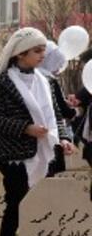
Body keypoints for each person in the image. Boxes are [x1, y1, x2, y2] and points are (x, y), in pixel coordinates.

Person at [0, 27, 76, 236]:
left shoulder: (46, 81)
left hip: (47, 151)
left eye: (44, 49)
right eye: (37, 50)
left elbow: (56, 115)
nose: (42, 55)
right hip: (13, 154)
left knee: (45, 202)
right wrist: (26, 128)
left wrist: (63, 138)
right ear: (20, 54)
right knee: (16, 202)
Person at [39, 41, 78, 174]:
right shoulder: (48, 80)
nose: (58, 68)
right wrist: (75, 111)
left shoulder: (33, 76)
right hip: (50, 136)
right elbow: (59, 110)